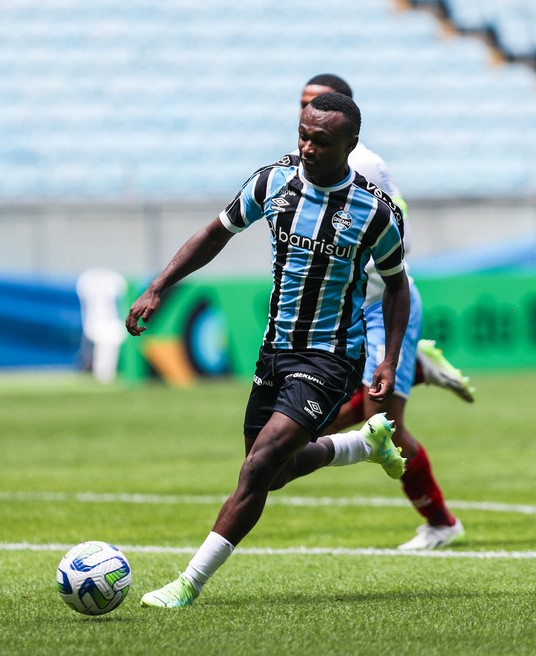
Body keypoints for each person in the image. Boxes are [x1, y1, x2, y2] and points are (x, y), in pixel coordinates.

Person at [127, 92, 410, 608]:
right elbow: (215, 234)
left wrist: (386, 358)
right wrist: (159, 286)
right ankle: (361, 444)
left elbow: (396, 286)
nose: (306, 146)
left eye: (320, 140)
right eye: (301, 134)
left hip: (330, 357)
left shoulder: (376, 212)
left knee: (256, 469)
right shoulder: (272, 182)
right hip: (275, 349)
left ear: (349, 144)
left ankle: (187, 583)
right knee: (273, 472)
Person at [300, 74, 469, 551]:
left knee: (383, 427)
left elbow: (402, 239)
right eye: (304, 106)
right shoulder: (306, 166)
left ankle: (441, 523)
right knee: (333, 420)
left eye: (320, 105)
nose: (309, 114)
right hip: (343, 309)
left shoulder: (367, 166)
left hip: (382, 305)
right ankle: (414, 369)